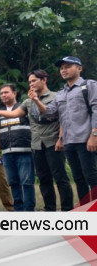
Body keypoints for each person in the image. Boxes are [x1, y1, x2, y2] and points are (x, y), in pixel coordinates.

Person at [0, 69, 74, 211]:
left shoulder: (56, 96)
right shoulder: (28, 102)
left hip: (53, 142)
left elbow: (61, 119)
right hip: (36, 144)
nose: (31, 84)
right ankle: (49, 208)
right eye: (29, 82)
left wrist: (61, 139)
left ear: (44, 80)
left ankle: (67, 209)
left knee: (60, 177)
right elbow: (15, 113)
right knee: (43, 178)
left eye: (34, 80)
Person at [34, 56, 97, 206]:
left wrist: (94, 134)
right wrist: (36, 100)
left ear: (79, 68)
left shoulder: (89, 85)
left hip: (86, 139)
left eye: (68, 66)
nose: (64, 70)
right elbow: (50, 113)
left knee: (91, 176)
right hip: (69, 142)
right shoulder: (61, 93)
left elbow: (96, 109)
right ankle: (85, 212)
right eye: (62, 68)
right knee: (78, 178)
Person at [0, 84, 36, 211]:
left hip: (24, 150)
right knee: (13, 182)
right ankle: (18, 210)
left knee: (26, 181)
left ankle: (29, 210)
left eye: (6, 92)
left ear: (14, 93)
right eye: (1, 93)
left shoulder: (23, 107)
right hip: (7, 152)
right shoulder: (0, 112)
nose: (3, 95)